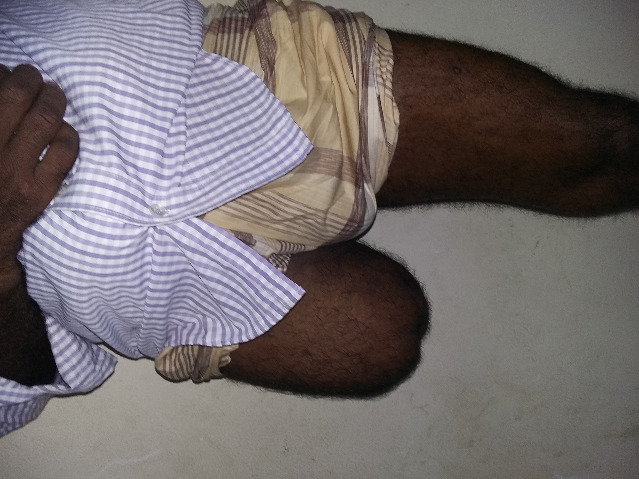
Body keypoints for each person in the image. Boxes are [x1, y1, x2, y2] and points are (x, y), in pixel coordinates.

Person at [0, 0, 637, 436]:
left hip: (196, 83)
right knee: (382, 342)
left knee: (595, 150)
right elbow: (11, 399)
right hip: (144, 299)